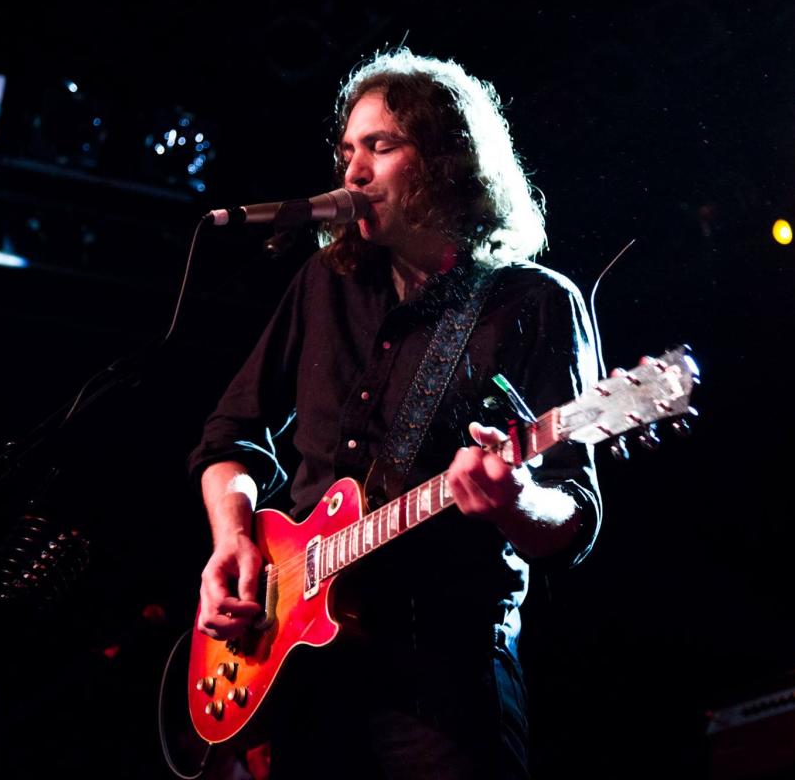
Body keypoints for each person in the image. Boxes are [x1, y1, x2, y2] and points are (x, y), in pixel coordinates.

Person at [187, 48, 601, 779]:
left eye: (380, 146)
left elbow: (572, 513)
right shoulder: (325, 283)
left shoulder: (532, 303)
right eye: (348, 149)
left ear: (447, 160)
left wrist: (515, 501)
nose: (352, 172)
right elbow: (230, 435)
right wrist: (233, 542)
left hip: (441, 679)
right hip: (306, 675)